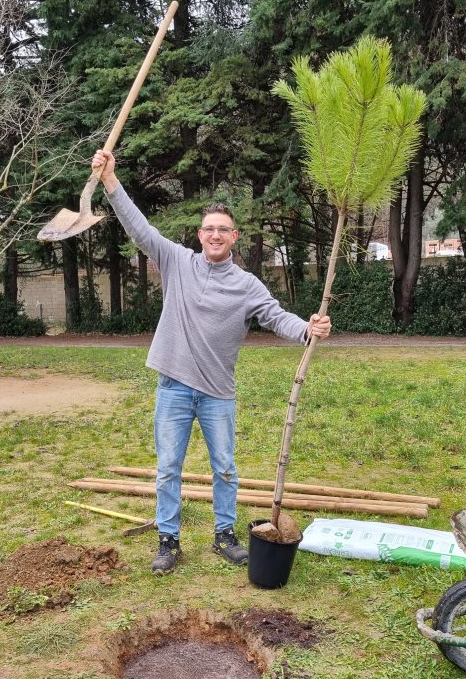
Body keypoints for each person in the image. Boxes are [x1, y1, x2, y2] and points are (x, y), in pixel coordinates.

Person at [91, 149, 332, 576]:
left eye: (223, 229)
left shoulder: (247, 285)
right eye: (209, 229)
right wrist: (110, 182)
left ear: (235, 237)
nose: (215, 235)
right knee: (169, 468)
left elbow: (276, 316)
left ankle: (224, 536)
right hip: (174, 387)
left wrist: (307, 329)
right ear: (199, 236)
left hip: (218, 392)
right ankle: (169, 541)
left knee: (224, 467)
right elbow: (140, 229)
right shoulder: (176, 262)